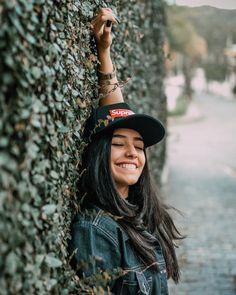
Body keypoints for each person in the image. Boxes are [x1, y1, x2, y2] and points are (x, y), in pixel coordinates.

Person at [68, 8, 183, 295]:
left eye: (139, 146)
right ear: (99, 155)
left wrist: (105, 54)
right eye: (119, 145)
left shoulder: (140, 214)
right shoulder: (96, 231)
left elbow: (117, 117)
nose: (132, 152)